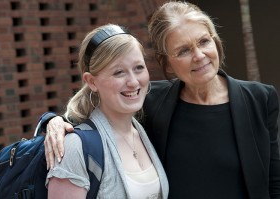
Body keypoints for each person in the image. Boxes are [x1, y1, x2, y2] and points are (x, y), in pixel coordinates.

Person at [43, 1, 280, 198]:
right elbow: (98, 106)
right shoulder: (151, 99)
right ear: (166, 62)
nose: (199, 56)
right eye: (183, 51)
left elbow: (274, 181)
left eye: (204, 41)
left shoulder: (259, 99)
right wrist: (52, 121)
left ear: (215, 41)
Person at [45, 24, 169, 199]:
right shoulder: (74, 148)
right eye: (119, 72)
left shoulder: (147, 129)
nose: (133, 82)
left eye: (139, 68)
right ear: (91, 81)